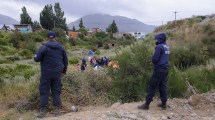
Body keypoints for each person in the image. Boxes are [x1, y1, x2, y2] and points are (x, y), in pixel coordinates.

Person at [34, 31, 68, 118]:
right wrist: (64, 72)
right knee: (56, 90)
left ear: (48, 37)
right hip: (57, 73)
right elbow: (66, 61)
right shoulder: (61, 47)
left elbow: (37, 59)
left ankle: (43, 111)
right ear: (55, 38)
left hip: (46, 73)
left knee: (44, 91)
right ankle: (57, 110)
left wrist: (35, 55)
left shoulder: (43, 47)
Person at [138, 33, 170, 110]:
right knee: (163, 86)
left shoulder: (159, 47)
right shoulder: (167, 47)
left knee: (152, 86)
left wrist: (152, 60)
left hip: (159, 69)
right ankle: (164, 104)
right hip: (165, 69)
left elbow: (155, 59)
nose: (156, 40)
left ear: (160, 40)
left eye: (157, 39)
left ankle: (146, 105)